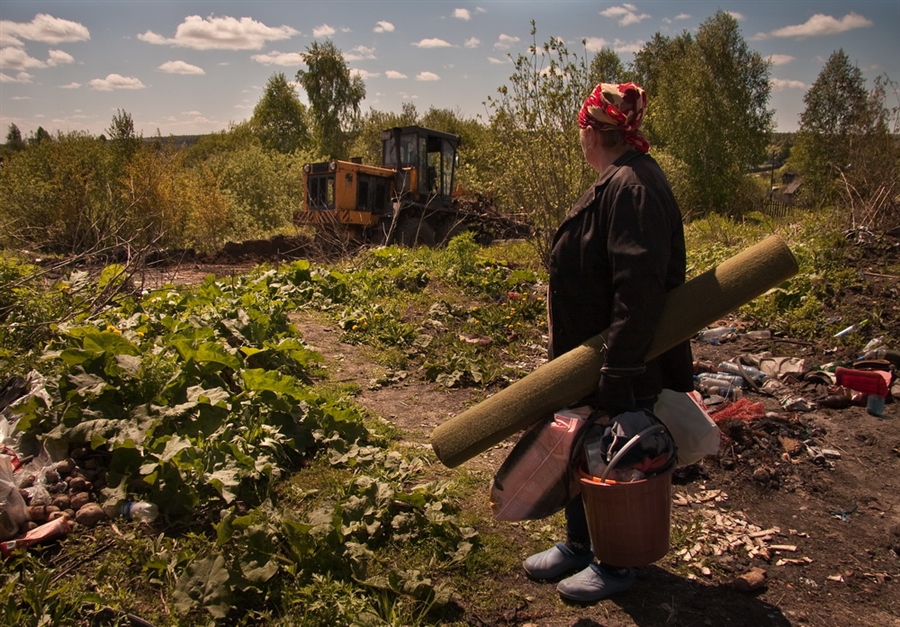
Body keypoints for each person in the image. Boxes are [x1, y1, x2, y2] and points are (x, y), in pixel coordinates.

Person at [522, 82, 694, 603]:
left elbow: (637, 290)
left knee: (614, 453)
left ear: (592, 130)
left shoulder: (633, 187)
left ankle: (615, 564)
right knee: (580, 447)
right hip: (588, 359)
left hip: (620, 359)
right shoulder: (615, 179)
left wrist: (618, 371)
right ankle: (580, 544)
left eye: (580, 129)